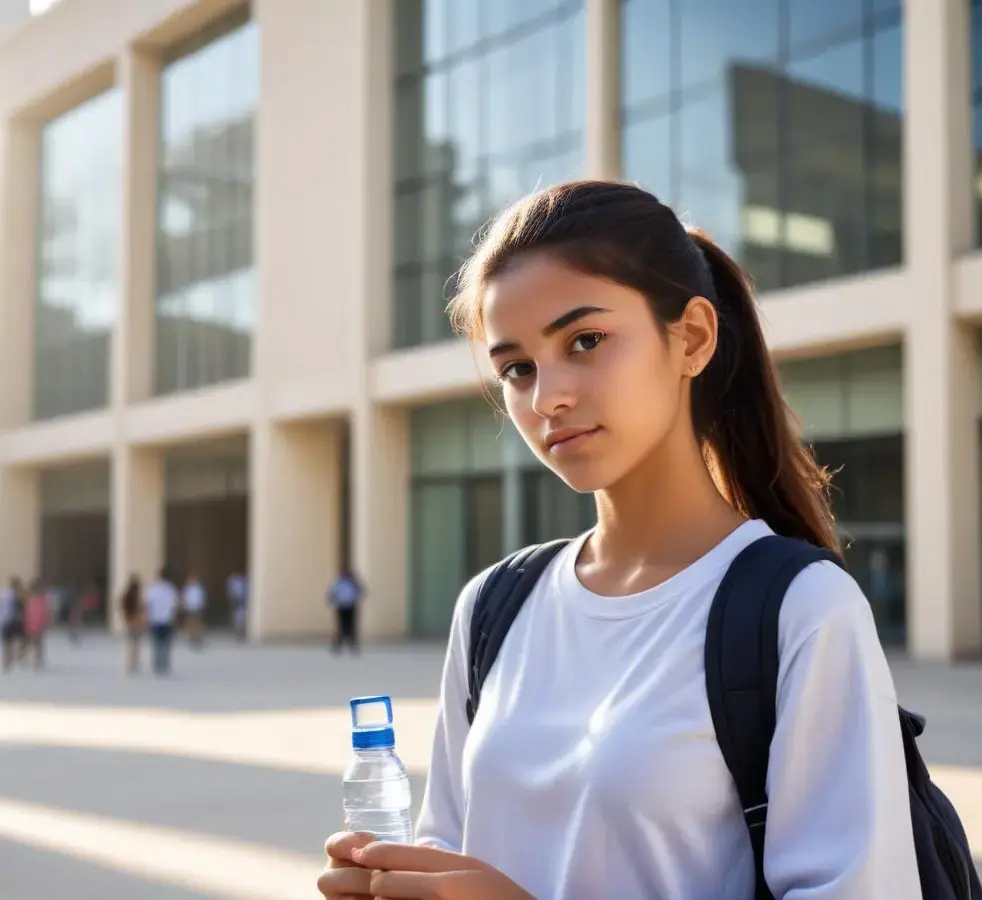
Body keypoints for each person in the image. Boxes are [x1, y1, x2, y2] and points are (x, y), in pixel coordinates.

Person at [318, 182, 922, 900]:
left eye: (586, 341)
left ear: (692, 337)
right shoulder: (493, 606)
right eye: (516, 368)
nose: (547, 398)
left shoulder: (800, 608)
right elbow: (448, 848)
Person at [145, 567, 179, 676]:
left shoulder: (152, 589)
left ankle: (157, 665)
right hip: (167, 620)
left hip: (155, 620)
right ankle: (164, 665)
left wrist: (148, 617)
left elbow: (148, 605)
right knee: (166, 644)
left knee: (156, 644)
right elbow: (175, 606)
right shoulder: (171, 589)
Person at [327, 568, 363, 654]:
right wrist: (332, 601)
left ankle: (352, 645)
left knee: (350, 626)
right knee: (341, 626)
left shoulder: (353, 582)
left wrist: (357, 598)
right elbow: (332, 593)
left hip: (350, 606)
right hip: (341, 606)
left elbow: (360, 591)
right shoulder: (338, 582)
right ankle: (338, 645)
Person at [23, 579, 50, 670]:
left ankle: (38, 659)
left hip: (40, 623)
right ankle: (26, 657)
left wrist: (45, 623)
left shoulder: (43, 598)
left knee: (38, 642)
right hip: (31, 623)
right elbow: (27, 612)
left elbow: (46, 611)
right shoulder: (30, 598)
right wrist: (26, 622)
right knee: (29, 642)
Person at [121, 575, 145, 675]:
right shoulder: (136, 597)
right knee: (136, 644)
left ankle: (131, 663)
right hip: (136, 621)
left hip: (130, 621)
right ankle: (134, 663)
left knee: (132, 644)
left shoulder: (126, 596)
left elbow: (123, 607)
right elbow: (141, 608)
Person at [0, 577, 25, 672]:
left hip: (15, 622)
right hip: (7, 622)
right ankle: (7, 662)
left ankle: (14, 661)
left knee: (16, 642)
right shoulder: (6, 596)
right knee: (8, 643)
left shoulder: (20, 597)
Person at [182, 574, 206, 650]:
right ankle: (192, 637)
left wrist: (201, 605)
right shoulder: (187, 589)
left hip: (197, 608)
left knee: (198, 623)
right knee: (191, 623)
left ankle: (198, 637)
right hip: (190, 608)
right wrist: (186, 605)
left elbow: (202, 598)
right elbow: (185, 598)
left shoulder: (199, 588)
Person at [226, 570, 248, 641]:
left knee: (242, 615)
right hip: (235, 600)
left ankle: (241, 630)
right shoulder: (233, 582)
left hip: (242, 600)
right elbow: (230, 591)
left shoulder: (243, 582)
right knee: (236, 616)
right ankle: (237, 630)